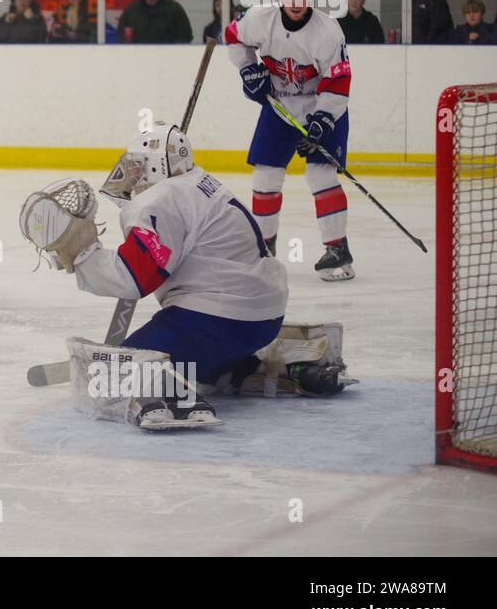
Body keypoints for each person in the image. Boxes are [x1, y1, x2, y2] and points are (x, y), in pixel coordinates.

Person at [22, 123, 347, 429]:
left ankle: (173, 398)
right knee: (199, 368)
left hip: (216, 320)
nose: (131, 176)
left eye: (137, 167)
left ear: (155, 167)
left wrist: (82, 253)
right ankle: (264, 367)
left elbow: (133, 279)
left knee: (110, 378)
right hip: (262, 320)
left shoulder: (160, 199)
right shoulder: (202, 185)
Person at [226, 0, 355, 281]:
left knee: (320, 175)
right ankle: (264, 249)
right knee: (266, 178)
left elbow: (339, 82)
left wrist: (323, 120)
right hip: (279, 107)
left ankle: (338, 250)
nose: (297, 1)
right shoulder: (259, 19)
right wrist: (248, 71)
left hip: (323, 108)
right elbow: (232, 35)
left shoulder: (328, 31)